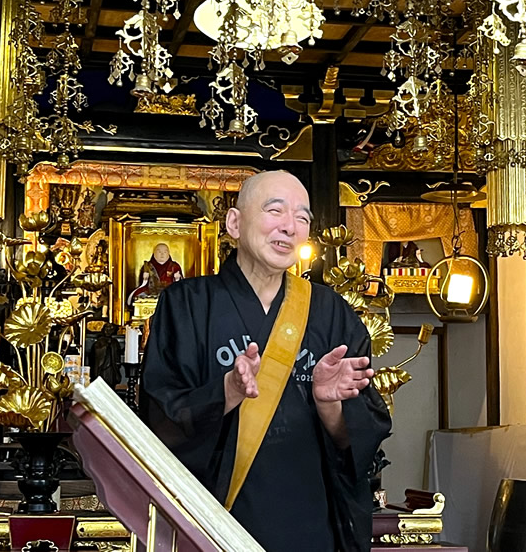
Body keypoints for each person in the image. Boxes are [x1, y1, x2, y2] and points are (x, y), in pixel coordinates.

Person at [140, 171, 392, 552]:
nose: (290, 227)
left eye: (302, 218)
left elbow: (360, 443)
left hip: (311, 531)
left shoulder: (330, 313)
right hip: (215, 531)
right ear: (234, 223)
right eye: (275, 211)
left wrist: (330, 406)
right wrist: (226, 392)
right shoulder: (186, 305)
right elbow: (158, 422)